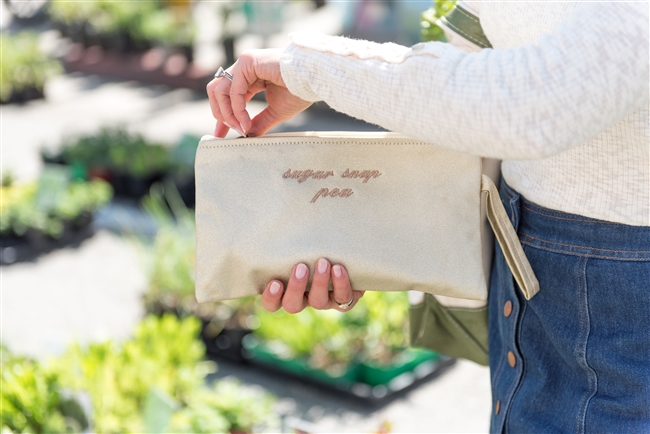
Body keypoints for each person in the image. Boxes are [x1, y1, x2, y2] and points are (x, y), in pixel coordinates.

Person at [206, 1, 649, 432]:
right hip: (524, 277)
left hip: (624, 306)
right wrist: (357, 241)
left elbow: (533, 105)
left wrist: (310, 68)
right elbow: (465, 85)